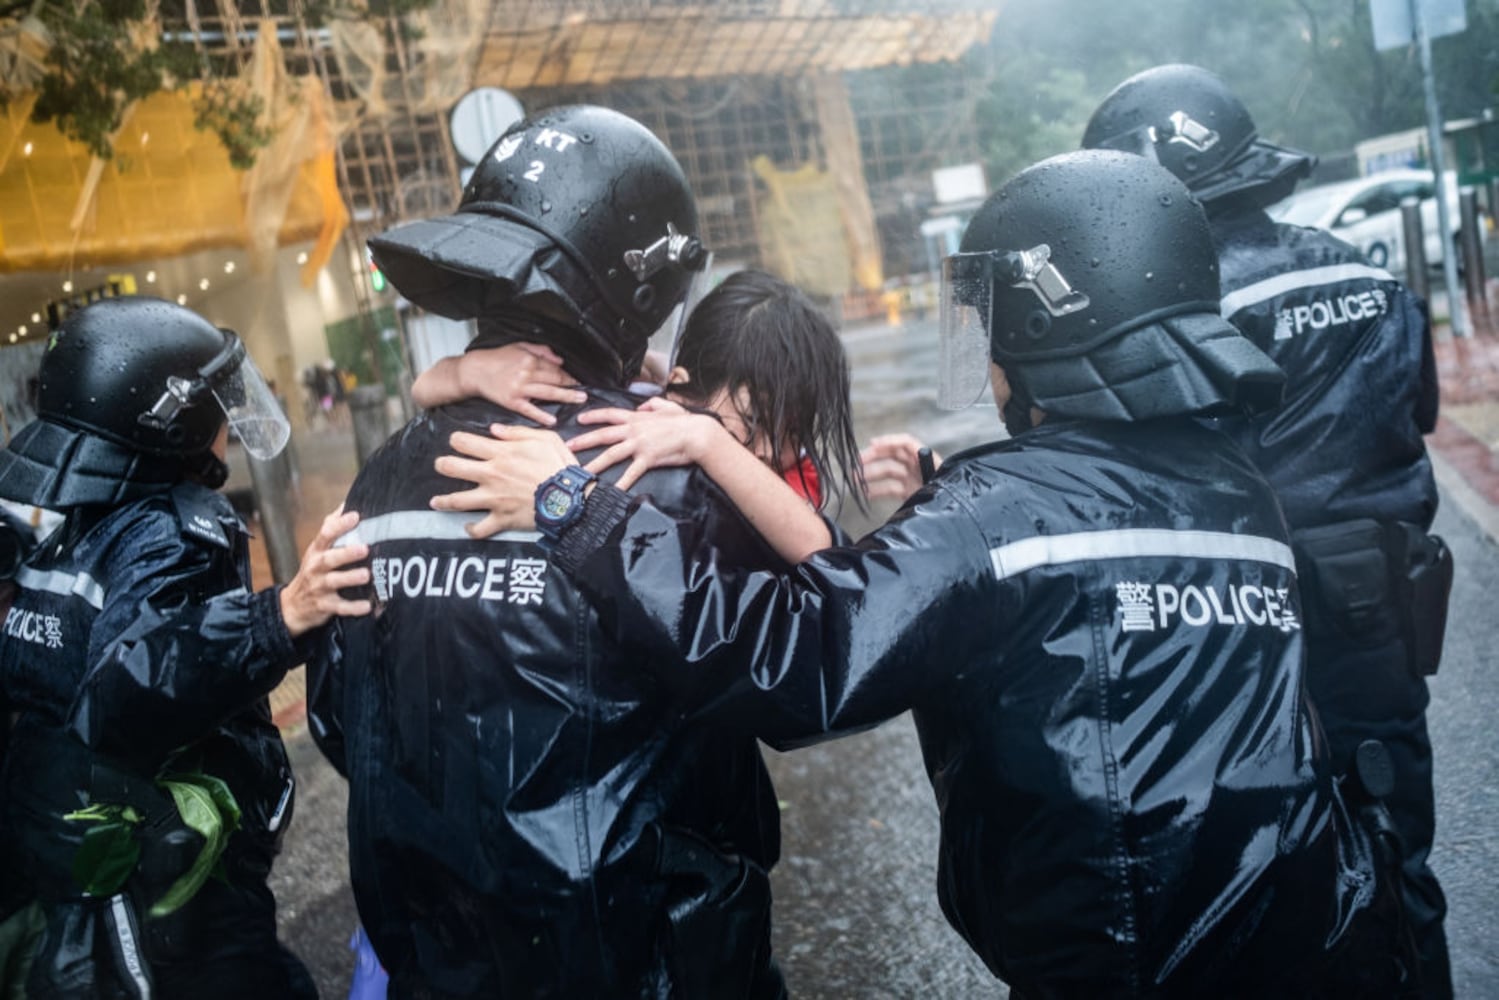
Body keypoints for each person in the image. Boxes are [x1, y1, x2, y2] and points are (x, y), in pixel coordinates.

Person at [423, 149, 1417, 997]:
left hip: (1139, 965)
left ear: (1044, 321)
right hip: (1328, 936)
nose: (981, 358)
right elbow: (1090, 556)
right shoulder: (1236, 491)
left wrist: (573, 510)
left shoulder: (992, 518)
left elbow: (810, 655)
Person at [305, 105, 792, 997]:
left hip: (436, 955)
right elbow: (771, 686)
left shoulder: (377, 479)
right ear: (640, 288)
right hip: (639, 958)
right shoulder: (657, 470)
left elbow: (343, 717)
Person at [1081, 63, 1453, 998]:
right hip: (1381, 604)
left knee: (1266, 872)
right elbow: (1419, 415)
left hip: (1242, 622)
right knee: (1397, 850)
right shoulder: (1371, 276)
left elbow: (1134, 478)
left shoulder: (1179, 320)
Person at [0, 296, 371, 998]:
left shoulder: (44, 527)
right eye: (217, 402)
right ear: (171, 418)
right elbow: (125, 690)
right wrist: (280, 616)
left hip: (64, 857)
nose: (228, 423)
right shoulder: (170, 532)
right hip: (164, 883)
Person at [415, 268, 864, 562]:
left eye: (792, 430)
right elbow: (423, 388)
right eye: (754, 421)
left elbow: (817, 549)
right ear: (678, 383)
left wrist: (708, 441)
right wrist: (470, 370)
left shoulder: (772, 474)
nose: (769, 449)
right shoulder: (642, 401)